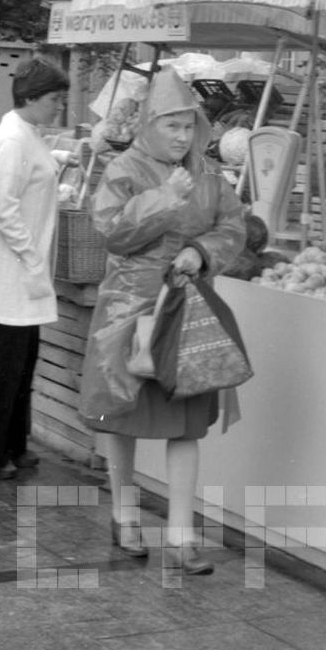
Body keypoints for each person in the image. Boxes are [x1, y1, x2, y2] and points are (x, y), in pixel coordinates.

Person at [78, 68, 245, 575]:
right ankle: (125, 516)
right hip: (129, 313)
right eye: (170, 126)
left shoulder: (211, 176)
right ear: (149, 125)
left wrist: (201, 250)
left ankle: (179, 535)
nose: (181, 136)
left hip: (187, 314)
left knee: (186, 426)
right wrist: (164, 198)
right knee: (122, 418)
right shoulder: (123, 170)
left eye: (188, 126)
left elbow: (232, 227)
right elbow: (111, 231)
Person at [0, 56, 71, 479]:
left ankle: (10, 442)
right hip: (13, 272)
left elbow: (33, 167)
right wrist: (29, 256)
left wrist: (60, 157)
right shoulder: (12, 138)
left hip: (23, 271)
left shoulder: (27, 132)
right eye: (55, 99)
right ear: (31, 97)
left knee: (20, 362)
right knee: (2, 365)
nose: (59, 106)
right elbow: (4, 208)